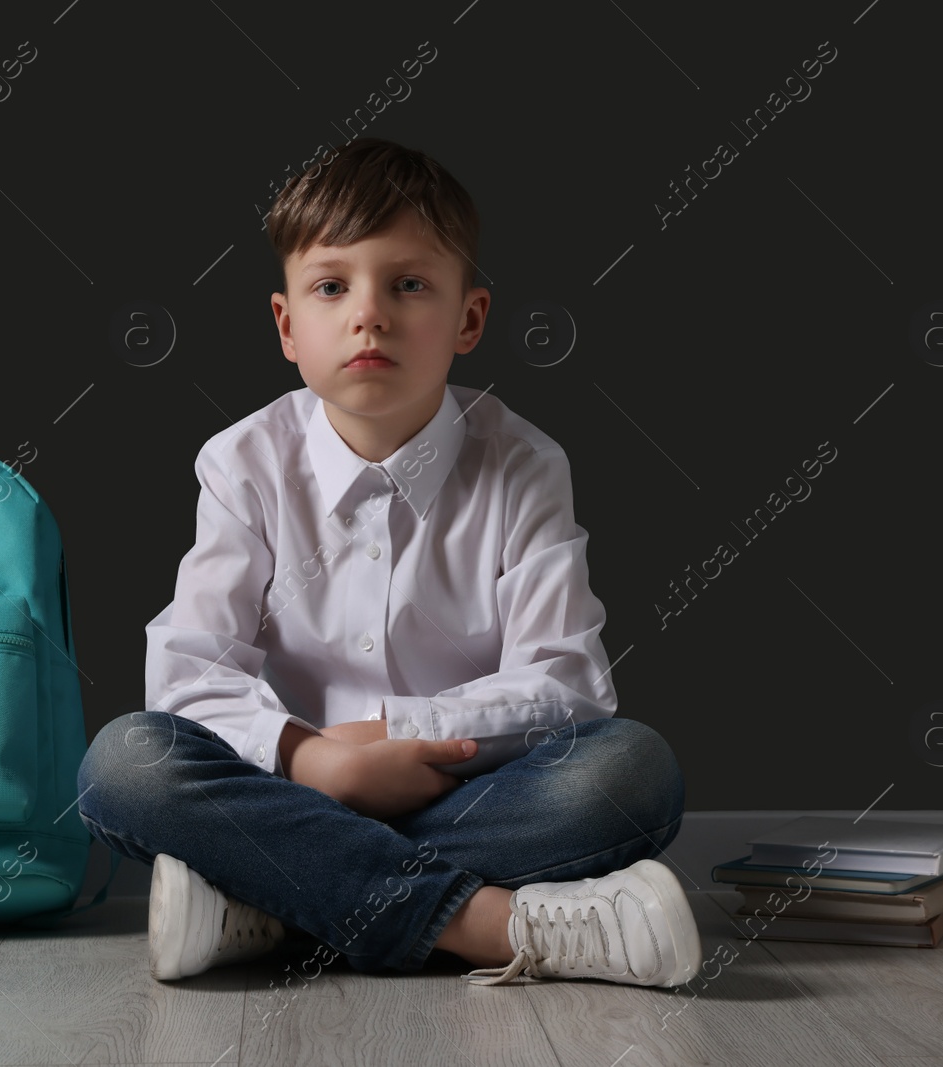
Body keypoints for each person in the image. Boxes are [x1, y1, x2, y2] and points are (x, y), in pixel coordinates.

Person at [76, 137, 700, 990]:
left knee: (631, 771)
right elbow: (189, 678)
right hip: (294, 787)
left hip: (459, 793)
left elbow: (568, 683)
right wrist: (314, 759)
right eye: (332, 286)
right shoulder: (243, 463)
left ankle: (269, 899)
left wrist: (400, 731)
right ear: (288, 326)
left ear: (470, 319)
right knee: (123, 761)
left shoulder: (524, 464)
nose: (368, 313)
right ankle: (493, 923)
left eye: (409, 284)